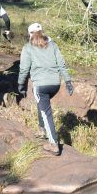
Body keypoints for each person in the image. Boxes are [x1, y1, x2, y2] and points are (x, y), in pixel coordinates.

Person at [18, 23, 74, 155]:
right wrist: (68, 81)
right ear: (42, 32)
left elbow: (24, 69)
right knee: (42, 105)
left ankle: (53, 144)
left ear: (30, 34)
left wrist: (21, 84)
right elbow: (62, 64)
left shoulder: (27, 48)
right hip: (55, 84)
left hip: (40, 85)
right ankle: (42, 129)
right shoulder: (53, 45)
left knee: (46, 112)